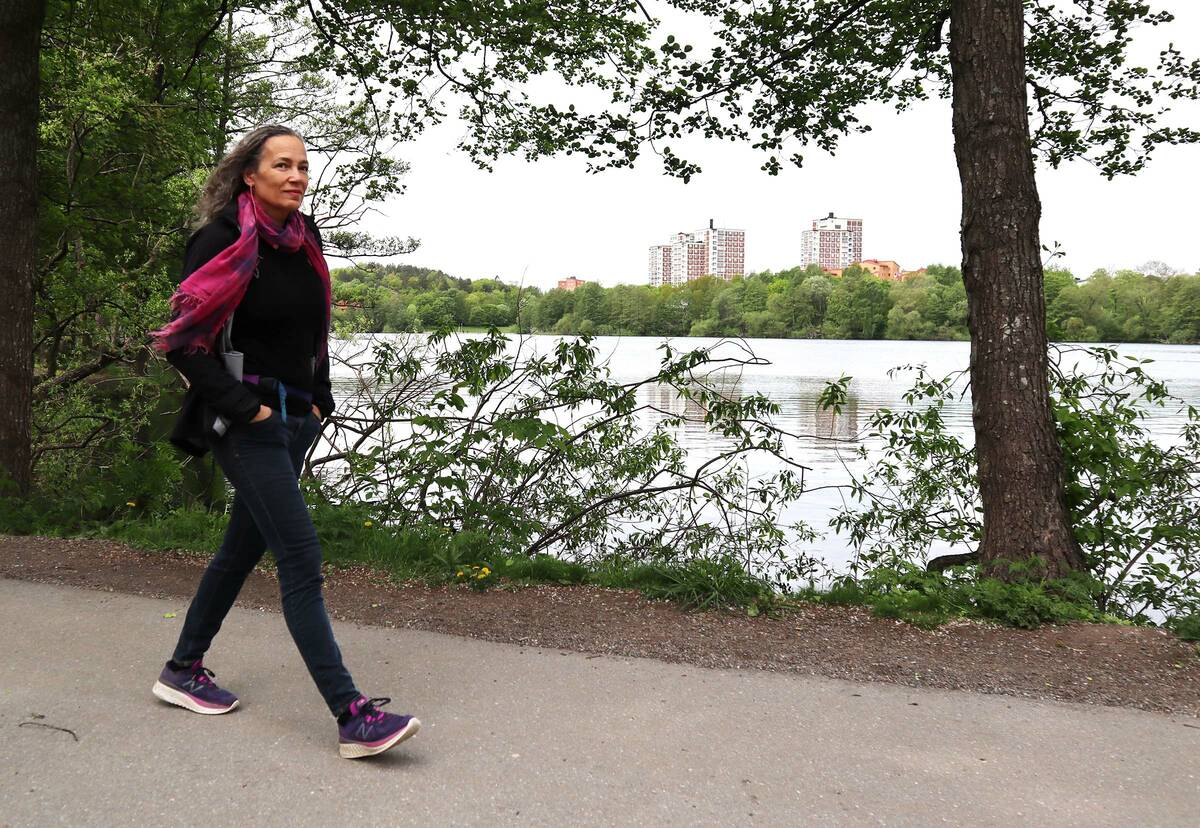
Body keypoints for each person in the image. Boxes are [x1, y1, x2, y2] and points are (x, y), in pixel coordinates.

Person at [148, 125, 419, 759]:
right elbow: (183, 343)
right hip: (248, 422)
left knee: (241, 549)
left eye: (302, 166)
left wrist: (320, 399)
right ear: (250, 174)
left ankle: (182, 669)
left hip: (297, 417)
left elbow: (313, 331)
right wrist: (250, 411)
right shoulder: (220, 238)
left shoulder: (305, 238)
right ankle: (352, 716)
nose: (296, 176)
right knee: (299, 557)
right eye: (281, 166)